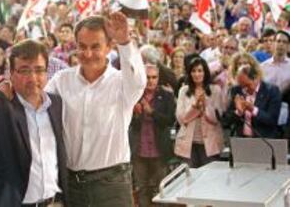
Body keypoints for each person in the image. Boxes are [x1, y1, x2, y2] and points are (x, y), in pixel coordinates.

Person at [46, 12, 146, 207]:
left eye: (95, 47)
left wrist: (125, 42)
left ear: (109, 47)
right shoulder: (61, 81)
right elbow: (36, 106)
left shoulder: (123, 83)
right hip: (73, 184)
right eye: (82, 47)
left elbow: (139, 80)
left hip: (112, 184)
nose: (88, 54)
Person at [0, 39, 67, 207]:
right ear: (11, 73)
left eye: (39, 70)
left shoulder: (57, 104)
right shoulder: (0, 101)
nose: (32, 78)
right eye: (24, 70)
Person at [129, 64, 176, 207]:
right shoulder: (134, 95)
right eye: (147, 77)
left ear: (158, 78)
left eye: (154, 77)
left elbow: (169, 120)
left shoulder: (167, 95)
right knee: (142, 189)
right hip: (139, 150)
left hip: (159, 150)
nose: (150, 81)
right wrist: (135, 115)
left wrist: (152, 112)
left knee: (161, 189)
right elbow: (127, 123)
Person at [174, 57, 224, 168]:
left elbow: (217, 118)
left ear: (205, 72)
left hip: (211, 144)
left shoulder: (215, 90)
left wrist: (205, 107)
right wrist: (195, 108)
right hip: (188, 144)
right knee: (189, 181)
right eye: (193, 71)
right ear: (189, 73)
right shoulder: (183, 91)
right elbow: (181, 118)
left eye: (200, 71)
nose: (197, 74)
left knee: (210, 179)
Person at [225, 63, 281, 138]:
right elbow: (226, 121)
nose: (244, 90)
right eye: (242, 86)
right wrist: (238, 112)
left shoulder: (271, 91)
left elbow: (272, 120)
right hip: (242, 140)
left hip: (264, 140)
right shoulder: (237, 90)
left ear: (256, 78)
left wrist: (252, 109)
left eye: (247, 85)